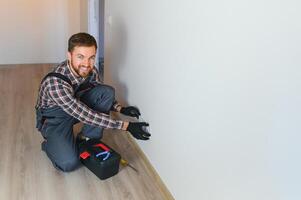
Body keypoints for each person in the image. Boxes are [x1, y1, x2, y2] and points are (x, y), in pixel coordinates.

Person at [35, 32, 151, 172]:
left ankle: (87, 138)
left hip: (75, 107)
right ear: (69, 55)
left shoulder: (90, 70)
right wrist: (127, 126)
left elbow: (99, 92)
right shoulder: (55, 83)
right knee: (69, 163)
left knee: (106, 91)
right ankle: (49, 145)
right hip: (55, 120)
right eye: (80, 57)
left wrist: (121, 109)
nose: (87, 64)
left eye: (91, 58)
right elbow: (86, 115)